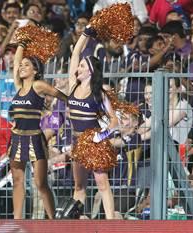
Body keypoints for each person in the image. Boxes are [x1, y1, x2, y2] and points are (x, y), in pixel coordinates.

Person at [9, 40, 67, 219]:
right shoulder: (19, 87)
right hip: (17, 138)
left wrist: (77, 104)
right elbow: (16, 63)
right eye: (22, 65)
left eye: (28, 65)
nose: (22, 67)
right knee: (17, 182)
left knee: (40, 183)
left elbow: (61, 95)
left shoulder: (39, 85)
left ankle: (52, 220)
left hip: (35, 138)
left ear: (35, 70)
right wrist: (21, 43)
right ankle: (17, 220)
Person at [68, 25, 118, 219]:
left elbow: (114, 121)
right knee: (79, 186)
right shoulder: (73, 86)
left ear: (90, 70)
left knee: (102, 183)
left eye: (82, 66)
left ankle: (111, 223)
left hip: (93, 142)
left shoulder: (99, 94)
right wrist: (86, 34)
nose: (78, 68)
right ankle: (77, 221)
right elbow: (74, 55)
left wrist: (100, 136)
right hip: (76, 141)